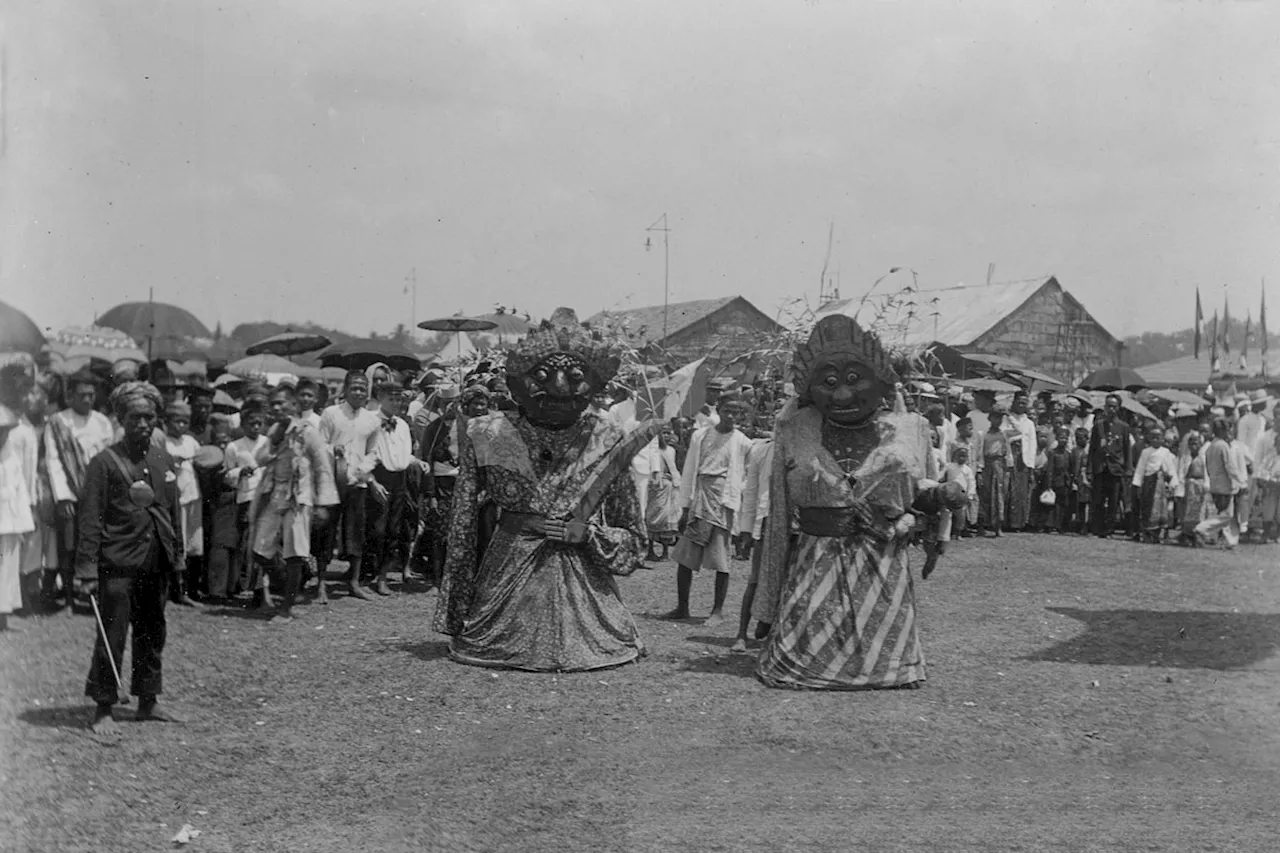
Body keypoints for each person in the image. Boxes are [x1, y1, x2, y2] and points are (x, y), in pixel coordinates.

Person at [435, 308, 649, 672]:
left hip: (585, 587)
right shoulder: (487, 432)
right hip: (506, 580)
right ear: (518, 381)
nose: (560, 387)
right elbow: (462, 528)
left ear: (596, 385)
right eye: (545, 375)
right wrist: (456, 609)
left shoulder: (606, 436)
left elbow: (634, 536)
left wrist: (589, 536)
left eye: (576, 376)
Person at [753, 314, 940, 690]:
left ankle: (886, 667)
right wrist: (767, 605)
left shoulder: (910, 431)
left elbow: (925, 498)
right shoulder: (794, 430)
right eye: (829, 382)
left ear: (881, 379)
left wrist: (914, 523)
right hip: (814, 568)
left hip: (884, 569)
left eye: (855, 379)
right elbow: (777, 522)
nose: (841, 395)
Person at [77, 381, 184, 732]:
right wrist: (87, 570)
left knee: (153, 629)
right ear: (121, 419)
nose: (143, 424)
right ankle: (104, 707)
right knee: (113, 633)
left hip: (156, 558)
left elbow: (172, 509)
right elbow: (90, 519)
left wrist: (177, 555)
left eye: (149, 418)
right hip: (117, 562)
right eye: (135, 417)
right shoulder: (103, 463)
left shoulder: (162, 458)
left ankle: (148, 701)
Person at [664, 393, 754, 626]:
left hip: (723, 502)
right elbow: (690, 468)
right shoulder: (701, 436)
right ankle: (682, 606)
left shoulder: (744, 442)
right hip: (699, 499)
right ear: (719, 411)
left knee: (721, 559)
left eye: (738, 412)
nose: (732, 416)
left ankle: (717, 610)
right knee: (685, 556)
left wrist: (736, 491)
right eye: (728, 411)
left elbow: (748, 474)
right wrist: (684, 504)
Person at [248, 385, 337, 622]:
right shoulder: (275, 429)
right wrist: (275, 442)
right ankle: (293, 581)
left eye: (282, 403)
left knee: (295, 553)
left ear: (294, 405)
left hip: (300, 497)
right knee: (259, 550)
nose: (277, 407)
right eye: (273, 403)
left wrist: (323, 504)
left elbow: (322, 466)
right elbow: (260, 459)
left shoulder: (307, 431)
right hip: (275, 495)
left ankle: (286, 608)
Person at [44, 370, 115, 608]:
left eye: (91, 395)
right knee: (69, 544)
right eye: (82, 395)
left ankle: (90, 590)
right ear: (70, 395)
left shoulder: (102, 422)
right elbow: (54, 461)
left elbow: (109, 458)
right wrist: (63, 498)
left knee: (95, 541)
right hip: (70, 493)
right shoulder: (58, 422)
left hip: (97, 492)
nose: (87, 400)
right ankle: (67, 594)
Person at [318, 371, 381, 601]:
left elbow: (374, 452)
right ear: (345, 390)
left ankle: (354, 583)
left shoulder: (372, 420)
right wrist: (331, 452)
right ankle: (321, 583)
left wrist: (361, 471)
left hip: (357, 483)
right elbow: (320, 443)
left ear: (367, 392)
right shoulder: (331, 414)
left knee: (356, 531)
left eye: (362, 389)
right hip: (332, 482)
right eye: (354, 388)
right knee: (327, 531)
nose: (358, 392)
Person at [363, 380, 414, 596]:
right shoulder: (370, 421)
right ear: (380, 398)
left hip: (399, 479)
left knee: (394, 529)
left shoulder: (402, 425)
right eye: (390, 398)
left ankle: (383, 576)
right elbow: (363, 453)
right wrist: (372, 480)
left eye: (398, 399)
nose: (395, 403)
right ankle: (366, 571)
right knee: (377, 528)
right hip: (378, 476)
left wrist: (416, 462)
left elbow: (405, 454)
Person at [731, 432, 773, 652]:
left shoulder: (804, 447)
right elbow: (752, 492)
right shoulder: (762, 451)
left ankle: (770, 625)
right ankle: (741, 634)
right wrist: (746, 530)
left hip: (796, 524)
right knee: (755, 579)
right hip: (766, 521)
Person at [418, 384, 463, 588]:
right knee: (440, 532)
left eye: (454, 402)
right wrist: (431, 493)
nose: (450, 407)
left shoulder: (467, 426)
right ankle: (437, 575)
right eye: (446, 403)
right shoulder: (433, 428)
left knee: (460, 532)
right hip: (441, 484)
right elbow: (427, 459)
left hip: (462, 484)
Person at [223, 404, 268, 601]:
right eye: (251, 423)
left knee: (265, 541)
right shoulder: (234, 447)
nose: (256, 427)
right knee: (247, 542)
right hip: (246, 498)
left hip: (266, 497)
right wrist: (239, 472)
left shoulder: (268, 443)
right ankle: (242, 584)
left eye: (259, 423)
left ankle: (261, 587)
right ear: (242, 424)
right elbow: (227, 474)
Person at [163, 400, 205, 602]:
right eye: (176, 421)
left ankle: (192, 588)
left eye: (184, 421)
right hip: (176, 499)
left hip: (193, 496)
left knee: (195, 542)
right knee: (179, 543)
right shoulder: (164, 442)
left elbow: (202, 461)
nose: (181, 426)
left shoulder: (191, 441)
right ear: (167, 421)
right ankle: (177, 591)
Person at [0, 405, 36, 631]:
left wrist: (25, 523)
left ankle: (3, 616)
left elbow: (21, 491)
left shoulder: (11, 460)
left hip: (10, 524)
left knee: (7, 570)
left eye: (4, 432)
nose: (1, 436)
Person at [1088, 393, 1133, 538]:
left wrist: (1128, 469)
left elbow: (1127, 449)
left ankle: (1109, 529)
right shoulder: (1098, 426)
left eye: (1114, 407)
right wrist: (1089, 469)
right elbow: (1092, 449)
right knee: (1098, 500)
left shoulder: (1124, 427)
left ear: (1118, 408)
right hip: (1101, 467)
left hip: (1116, 468)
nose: (1111, 409)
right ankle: (1097, 528)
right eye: (1108, 406)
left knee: (1114, 501)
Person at [1195, 419, 1243, 548]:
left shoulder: (1211, 446)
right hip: (1224, 485)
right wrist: (1240, 481)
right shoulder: (1223, 445)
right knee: (1226, 515)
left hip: (1215, 484)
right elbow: (1230, 466)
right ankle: (1202, 529)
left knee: (1222, 513)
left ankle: (1227, 541)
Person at [1131, 426, 1179, 543]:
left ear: (1163, 438)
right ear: (1149, 439)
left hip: (1161, 485)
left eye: (1158, 438)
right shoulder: (1146, 452)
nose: (1156, 440)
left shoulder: (1165, 452)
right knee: (1148, 507)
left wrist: (1173, 482)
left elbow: (1170, 468)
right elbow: (1140, 469)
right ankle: (1147, 532)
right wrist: (1137, 483)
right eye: (1153, 438)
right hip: (1149, 484)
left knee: (1161, 509)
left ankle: (1157, 533)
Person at [644, 424, 683, 561]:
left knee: (668, 519)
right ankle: (650, 549)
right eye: (663, 433)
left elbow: (674, 467)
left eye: (668, 433)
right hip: (655, 486)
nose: (665, 436)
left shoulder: (671, 450)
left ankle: (665, 551)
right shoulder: (650, 450)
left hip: (670, 486)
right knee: (651, 516)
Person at [1003, 392, 1037, 532]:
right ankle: (1005, 521)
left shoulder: (1029, 423)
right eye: (1019, 402)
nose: (1021, 405)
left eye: (1024, 403)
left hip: (1023, 460)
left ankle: (1018, 523)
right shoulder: (1007, 419)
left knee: (1021, 491)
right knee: (1008, 489)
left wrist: (1031, 464)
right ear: (1014, 403)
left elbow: (1032, 443)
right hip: (1011, 456)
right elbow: (1005, 434)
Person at [979, 407, 1013, 536]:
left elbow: (1017, 433)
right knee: (985, 495)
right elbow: (980, 452)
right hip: (987, 466)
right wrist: (980, 469)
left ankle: (998, 527)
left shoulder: (1004, 434)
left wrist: (1008, 415)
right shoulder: (983, 434)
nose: (998, 421)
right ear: (990, 418)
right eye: (995, 417)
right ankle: (982, 526)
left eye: (1000, 418)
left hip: (1000, 466)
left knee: (999, 495)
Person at [1175, 430, 1209, 545]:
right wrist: (1178, 489)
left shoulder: (1204, 458)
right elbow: (1180, 473)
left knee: (1199, 512)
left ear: (1200, 445)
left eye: (1196, 444)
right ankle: (1187, 535)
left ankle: (1198, 535)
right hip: (1188, 486)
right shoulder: (1185, 458)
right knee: (1186, 512)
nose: (1194, 446)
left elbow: (1207, 474)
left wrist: (1206, 486)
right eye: (1191, 444)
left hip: (1199, 486)